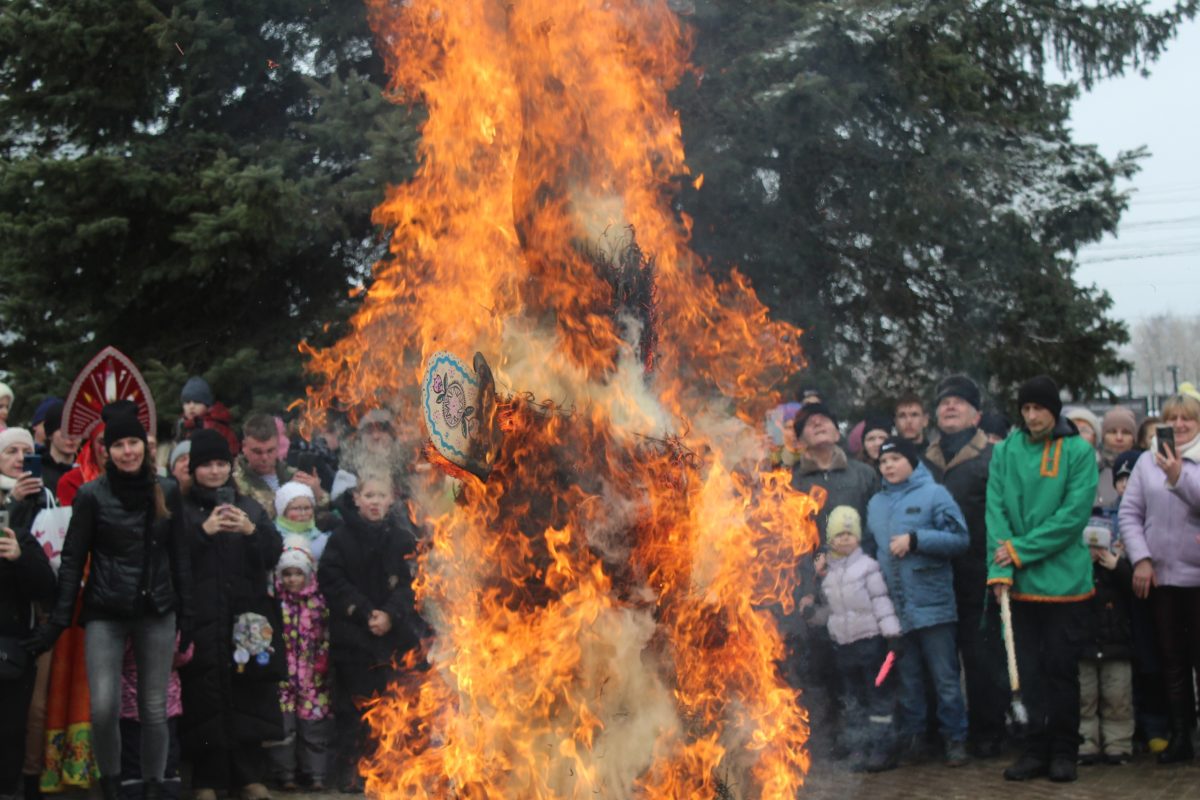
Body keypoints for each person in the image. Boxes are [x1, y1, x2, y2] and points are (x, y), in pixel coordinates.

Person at [24, 409, 192, 800]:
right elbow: (71, 560)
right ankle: (113, 783)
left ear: (144, 447)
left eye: (133, 442)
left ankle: (153, 786)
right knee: (103, 706)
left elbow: (179, 555)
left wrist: (188, 614)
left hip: (156, 609)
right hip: (105, 608)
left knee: (153, 707)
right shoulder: (91, 495)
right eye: (118, 444)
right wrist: (59, 620)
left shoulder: (164, 490)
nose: (127, 451)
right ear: (107, 451)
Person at [986, 375, 1098, 783]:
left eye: (1039, 409)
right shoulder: (1006, 450)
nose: (1032, 417)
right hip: (1019, 585)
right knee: (1027, 673)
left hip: (1066, 585)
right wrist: (1000, 569)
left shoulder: (1078, 451)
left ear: (1055, 410)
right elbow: (994, 509)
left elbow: (1073, 516)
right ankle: (1035, 749)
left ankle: (1066, 751)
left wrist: (1020, 549)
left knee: (1061, 671)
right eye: (1026, 409)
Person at [177, 429, 283, 800]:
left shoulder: (250, 507)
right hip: (201, 617)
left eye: (221, 464)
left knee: (247, 694)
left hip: (245, 619)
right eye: (206, 465)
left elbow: (273, 553)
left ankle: (248, 776)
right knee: (203, 697)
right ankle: (206, 780)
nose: (215, 471)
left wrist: (251, 530)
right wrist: (203, 534)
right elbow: (171, 560)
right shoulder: (182, 510)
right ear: (194, 469)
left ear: (231, 467)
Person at [867, 437, 970, 768]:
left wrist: (916, 540)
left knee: (946, 679)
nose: (889, 466)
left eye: (896, 459)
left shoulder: (935, 494)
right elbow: (870, 549)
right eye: (884, 462)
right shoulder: (875, 504)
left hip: (934, 606)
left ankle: (955, 739)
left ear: (912, 461)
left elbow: (960, 538)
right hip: (896, 611)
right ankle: (915, 740)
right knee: (909, 681)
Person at [319, 473, 422, 793]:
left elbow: (412, 583)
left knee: (395, 704)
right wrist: (366, 614)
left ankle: (392, 770)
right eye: (369, 496)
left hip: (395, 635)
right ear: (357, 499)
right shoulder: (340, 538)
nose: (375, 502)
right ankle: (354, 771)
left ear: (391, 499)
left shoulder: (403, 537)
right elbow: (333, 581)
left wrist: (390, 615)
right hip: (354, 637)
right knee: (354, 708)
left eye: (381, 496)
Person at [923, 374, 1009, 757]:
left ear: (976, 415)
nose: (950, 407)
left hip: (978, 576)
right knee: (938, 665)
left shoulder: (991, 459)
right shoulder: (923, 463)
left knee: (982, 661)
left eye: (959, 401)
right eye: (944, 402)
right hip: (933, 579)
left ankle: (988, 733)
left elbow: (1003, 515)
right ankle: (941, 733)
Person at [1119, 393, 1200, 764]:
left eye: (1188, 419)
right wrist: (1142, 559)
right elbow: (1130, 514)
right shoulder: (1146, 464)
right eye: (1173, 418)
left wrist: (1179, 476)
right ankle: (1181, 737)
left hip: (1197, 578)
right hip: (1162, 579)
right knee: (1172, 662)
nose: (1180, 425)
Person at [817, 505, 900, 772]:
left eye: (849, 534)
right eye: (839, 534)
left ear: (858, 537)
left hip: (870, 643)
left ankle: (882, 749)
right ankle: (859, 746)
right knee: (853, 698)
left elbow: (881, 601)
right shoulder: (828, 574)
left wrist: (892, 634)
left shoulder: (868, 567)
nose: (844, 539)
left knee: (878, 697)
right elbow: (829, 609)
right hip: (844, 645)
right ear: (830, 539)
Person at [267, 537, 332, 792]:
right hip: (284, 675)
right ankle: (285, 773)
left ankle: (316, 772)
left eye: (298, 574)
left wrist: (323, 659)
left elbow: (325, 635)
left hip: (312, 677)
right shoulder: (275, 604)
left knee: (313, 726)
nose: (293, 579)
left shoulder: (318, 603)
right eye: (287, 574)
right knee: (284, 727)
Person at [0, 507, 56, 800]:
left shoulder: (18, 538)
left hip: (9, 654)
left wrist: (19, 558)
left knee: (10, 731)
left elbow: (48, 587)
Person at [1077, 517, 1134, 766]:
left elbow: (1134, 588)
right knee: (1084, 699)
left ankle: (1118, 745)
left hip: (1116, 646)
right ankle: (1085, 744)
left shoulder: (1115, 569)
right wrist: (1081, 564)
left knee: (1118, 698)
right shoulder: (1077, 569)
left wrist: (1117, 565)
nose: (1095, 551)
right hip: (1084, 646)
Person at [117, 635, 192, 800]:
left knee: (134, 767)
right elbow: (184, 654)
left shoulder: (124, 628)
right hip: (163, 710)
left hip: (132, 710)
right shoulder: (169, 625)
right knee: (166, 764)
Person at [235, 415, 324, 521]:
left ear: (278, 446)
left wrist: (317, 494)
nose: (265, 458)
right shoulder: (236, 482)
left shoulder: (292, 474)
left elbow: (321, 514)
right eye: (257, 452)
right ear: (244, 447)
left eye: (270, 450)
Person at [175, 377, 239, 459]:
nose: (191, 406)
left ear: (207, 405)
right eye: (187, 402)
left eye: (197, 402)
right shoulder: (181, 425)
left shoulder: (215, 425)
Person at [274, 482, 330, 563]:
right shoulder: (272, 537)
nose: (303, 513)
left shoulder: (322, 539)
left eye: (307, 508)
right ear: (283, 511)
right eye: (296, 508)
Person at [1097, 406, 1137, 508]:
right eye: (1113, 432)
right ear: (1103, 436)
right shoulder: (1093, 467)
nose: (1119, 438)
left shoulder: (1143, 468)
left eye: (1126, 432)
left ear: (1133, 438)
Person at [39, 401, 80, 498]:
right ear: (50, 435)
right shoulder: (40, 471)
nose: (71, 437)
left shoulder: (88, 469)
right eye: (64, 431)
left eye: (76, 430)